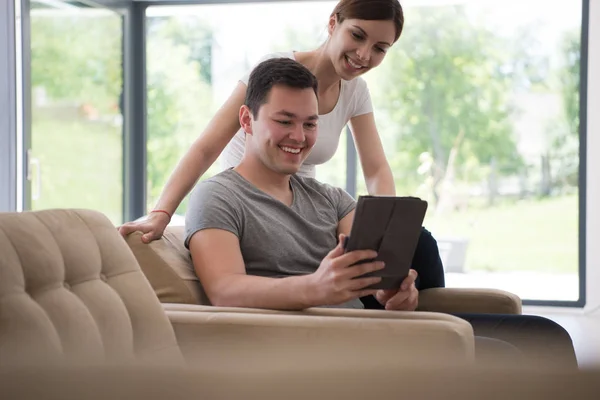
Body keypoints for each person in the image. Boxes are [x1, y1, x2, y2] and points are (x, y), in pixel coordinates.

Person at [185, 57, 577, 367]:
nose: (299, 137)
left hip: (369, 325)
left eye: (309, 124)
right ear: (247, 120)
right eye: (284, 121)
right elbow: (225, 290)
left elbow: (376, 267)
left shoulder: (329, 197)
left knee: (547, 337)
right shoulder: (217, 196)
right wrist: (315, 287)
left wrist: (394, 289)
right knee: (508, 360)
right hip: (313, 338)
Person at [118, 0, 446, 295]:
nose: (364, 54)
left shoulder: (355, 92)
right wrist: (161, 212)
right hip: (253, 199)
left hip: (304, 199)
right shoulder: (274, 71)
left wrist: (382, 231)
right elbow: (208, 145)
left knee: (419, 245)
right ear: (333, 23)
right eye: (358, 36)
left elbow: (376, 168)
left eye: (380, 48)